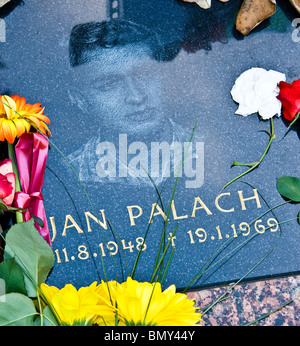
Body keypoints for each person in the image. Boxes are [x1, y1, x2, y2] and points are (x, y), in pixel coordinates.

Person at [67, 19, 204, 189]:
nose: (136, 96)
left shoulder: (210, 152)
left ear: (164, 76)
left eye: (144, 74)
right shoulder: (68, 175)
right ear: (80, 100)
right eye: (109, 84)